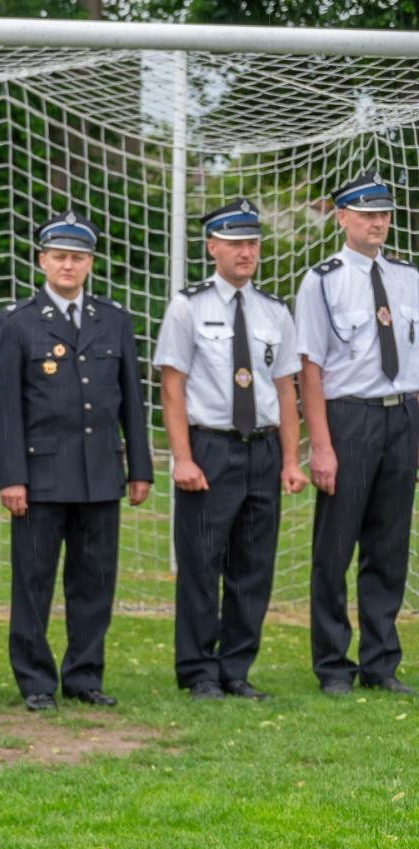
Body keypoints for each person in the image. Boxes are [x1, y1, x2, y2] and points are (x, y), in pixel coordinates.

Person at [0, 208, 153, 711]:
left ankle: (84, 676)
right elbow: (5, 410)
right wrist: (11, 477)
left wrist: (140, 467)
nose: (68, 266)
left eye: (78, 258)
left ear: (90, 263)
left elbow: (131, 398)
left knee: (94, 583)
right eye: (59, 257)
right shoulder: (17, 323)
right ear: (42, 261)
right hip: (40, 478)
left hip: (101, 474)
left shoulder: (115, 320)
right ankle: (36, 681)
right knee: (34, 583)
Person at [155, 198, 306, 701]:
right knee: (201, 564)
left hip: (262, 450)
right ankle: (199, 671)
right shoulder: (188, 306)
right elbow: (172, 386)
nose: (246, 252)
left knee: (253, 565)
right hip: (210, 447)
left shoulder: (274, 311)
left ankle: (236, 668)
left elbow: (286, 390)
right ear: (212, 246)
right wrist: (183, 457)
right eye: (235, 243)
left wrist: (290, 460)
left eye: (252, 243)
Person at [296, 172, 419, 695]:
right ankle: (331, 664)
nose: (378, 222)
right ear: (342, 218)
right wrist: (320, 445)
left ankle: (380, 662)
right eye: (367, 213)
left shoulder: (410, 278)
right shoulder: (321, 280)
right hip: (349, 419)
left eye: (384, 213)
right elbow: (310, 369)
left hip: (402, 417)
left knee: (389, 547)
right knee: (335, 546)